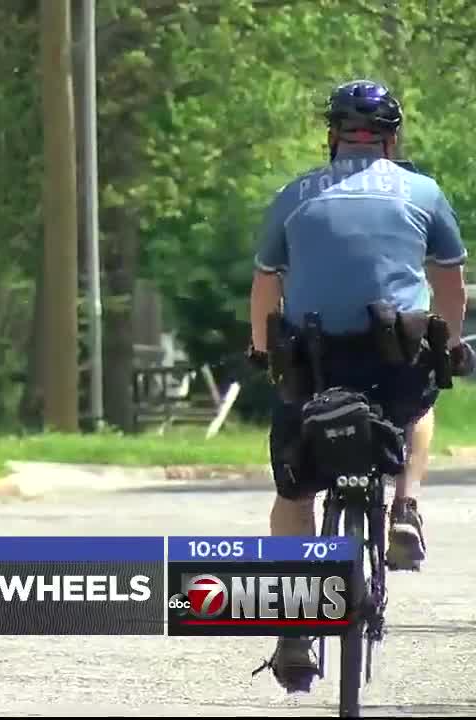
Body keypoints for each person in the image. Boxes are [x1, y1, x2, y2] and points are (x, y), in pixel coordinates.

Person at [248, 79, 474, 691]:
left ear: (333, 136)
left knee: (295, 493)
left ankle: (295, 627)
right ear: (392, 139)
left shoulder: (293, 195)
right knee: (421, 403)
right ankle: (405, 508)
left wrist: (264, 351)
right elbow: (449, 284)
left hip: (314, 364)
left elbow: (266, 285)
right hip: (393, 358)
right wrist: (451, 344)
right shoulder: (423, 191)